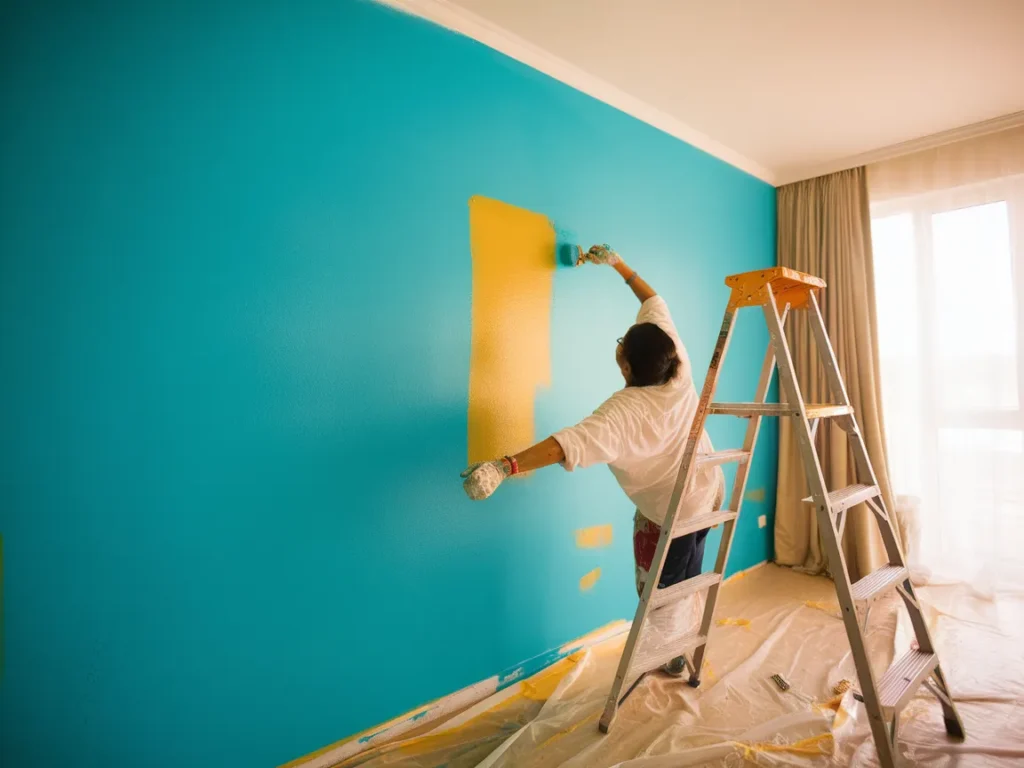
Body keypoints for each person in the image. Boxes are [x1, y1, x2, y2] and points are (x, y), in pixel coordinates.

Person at [460, 244, 726, 676]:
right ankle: (677, 639)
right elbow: (653, 302)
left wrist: (503, 467)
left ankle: (670, 656)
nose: (620, 342)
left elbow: (565, 444)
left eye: (621, 342)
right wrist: (619, 265)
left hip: (673, 511)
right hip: (709, 488)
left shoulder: (624, 413)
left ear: (626, 367)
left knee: (663, 592)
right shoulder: (677, 362)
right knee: (689, 572)